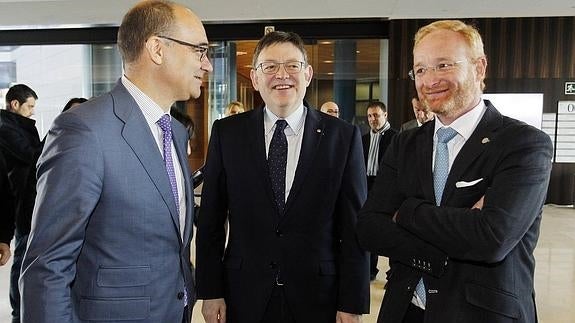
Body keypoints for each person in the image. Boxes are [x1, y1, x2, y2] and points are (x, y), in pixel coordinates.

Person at [19, 1, 213, 322]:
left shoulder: (175, 132)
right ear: (157, 49)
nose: (206, 64)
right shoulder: (84, 129)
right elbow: (48, 265)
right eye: (199, 50)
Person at [356, 19, 553, 323]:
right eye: (420, 70)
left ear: (479, 67)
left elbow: (492, 239)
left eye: (443, 65)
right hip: (405, 310)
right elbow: (369, 228)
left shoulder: (523, 144)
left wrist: (406, 212)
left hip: (481, 314)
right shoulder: (405, 143)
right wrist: (460, 231)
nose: (430, 80)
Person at [196, 31, 369, 323]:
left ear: (308, 73)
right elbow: (211, 219)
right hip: (243, 293)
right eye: (270, 66)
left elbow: (354, 229)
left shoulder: (342, 137)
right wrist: (211, 291)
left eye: (292, 65)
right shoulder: (227, 133)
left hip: (318, 296)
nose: (282, 75)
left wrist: (352, 302)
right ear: (254, 77)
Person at [0, 84, 42, 323]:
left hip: (26, 199)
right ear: (15, 104)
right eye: (30, 106)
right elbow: (32, 156)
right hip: (19, 201)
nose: (32, 112)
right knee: (22, 255)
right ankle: (18, 312)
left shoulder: (19, 126)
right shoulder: (7, 129)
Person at [361, 100, 397, 281]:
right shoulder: (363, 139)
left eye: (376, 115)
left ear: (385, 115)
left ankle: (392, 273)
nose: (372, 119)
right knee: (370, 227)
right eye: (369, 116)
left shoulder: (396, 138)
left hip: (387, 189)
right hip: (366, 186)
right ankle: (370, 269)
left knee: (390, 230)